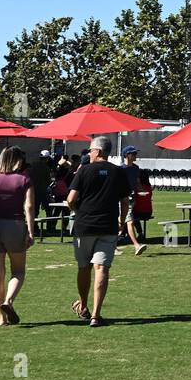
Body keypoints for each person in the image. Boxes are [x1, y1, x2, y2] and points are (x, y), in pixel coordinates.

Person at [66, 137, 131, 327]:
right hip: (108, 225)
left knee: (84, 267)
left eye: (91, 150)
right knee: (102, 268)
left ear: (99, 151)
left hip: (84, 225)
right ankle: (96, 314)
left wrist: (77, 210)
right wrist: (121, 220)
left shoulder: (84, 170)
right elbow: (125, 201)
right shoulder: (118, 172)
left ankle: (84, 305)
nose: (89, 153)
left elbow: (71, 198)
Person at [0, 147, 36, 326]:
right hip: (15, 226)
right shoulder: (24, 179)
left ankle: (0, 316)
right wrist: (31, 231)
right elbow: (29, 206)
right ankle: (8, 301)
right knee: (18, 270)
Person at [118, 147, 148, 255]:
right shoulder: (120, 169)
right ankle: (136, 246)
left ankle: (110, 244)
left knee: (121, 223)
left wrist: (141, 191)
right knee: (129, 221)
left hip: (131, 198)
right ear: (127, 155)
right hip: (122, 198)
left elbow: (137, 182)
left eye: (136, 153)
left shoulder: (136, 168)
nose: (136, 155)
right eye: (133, 154)